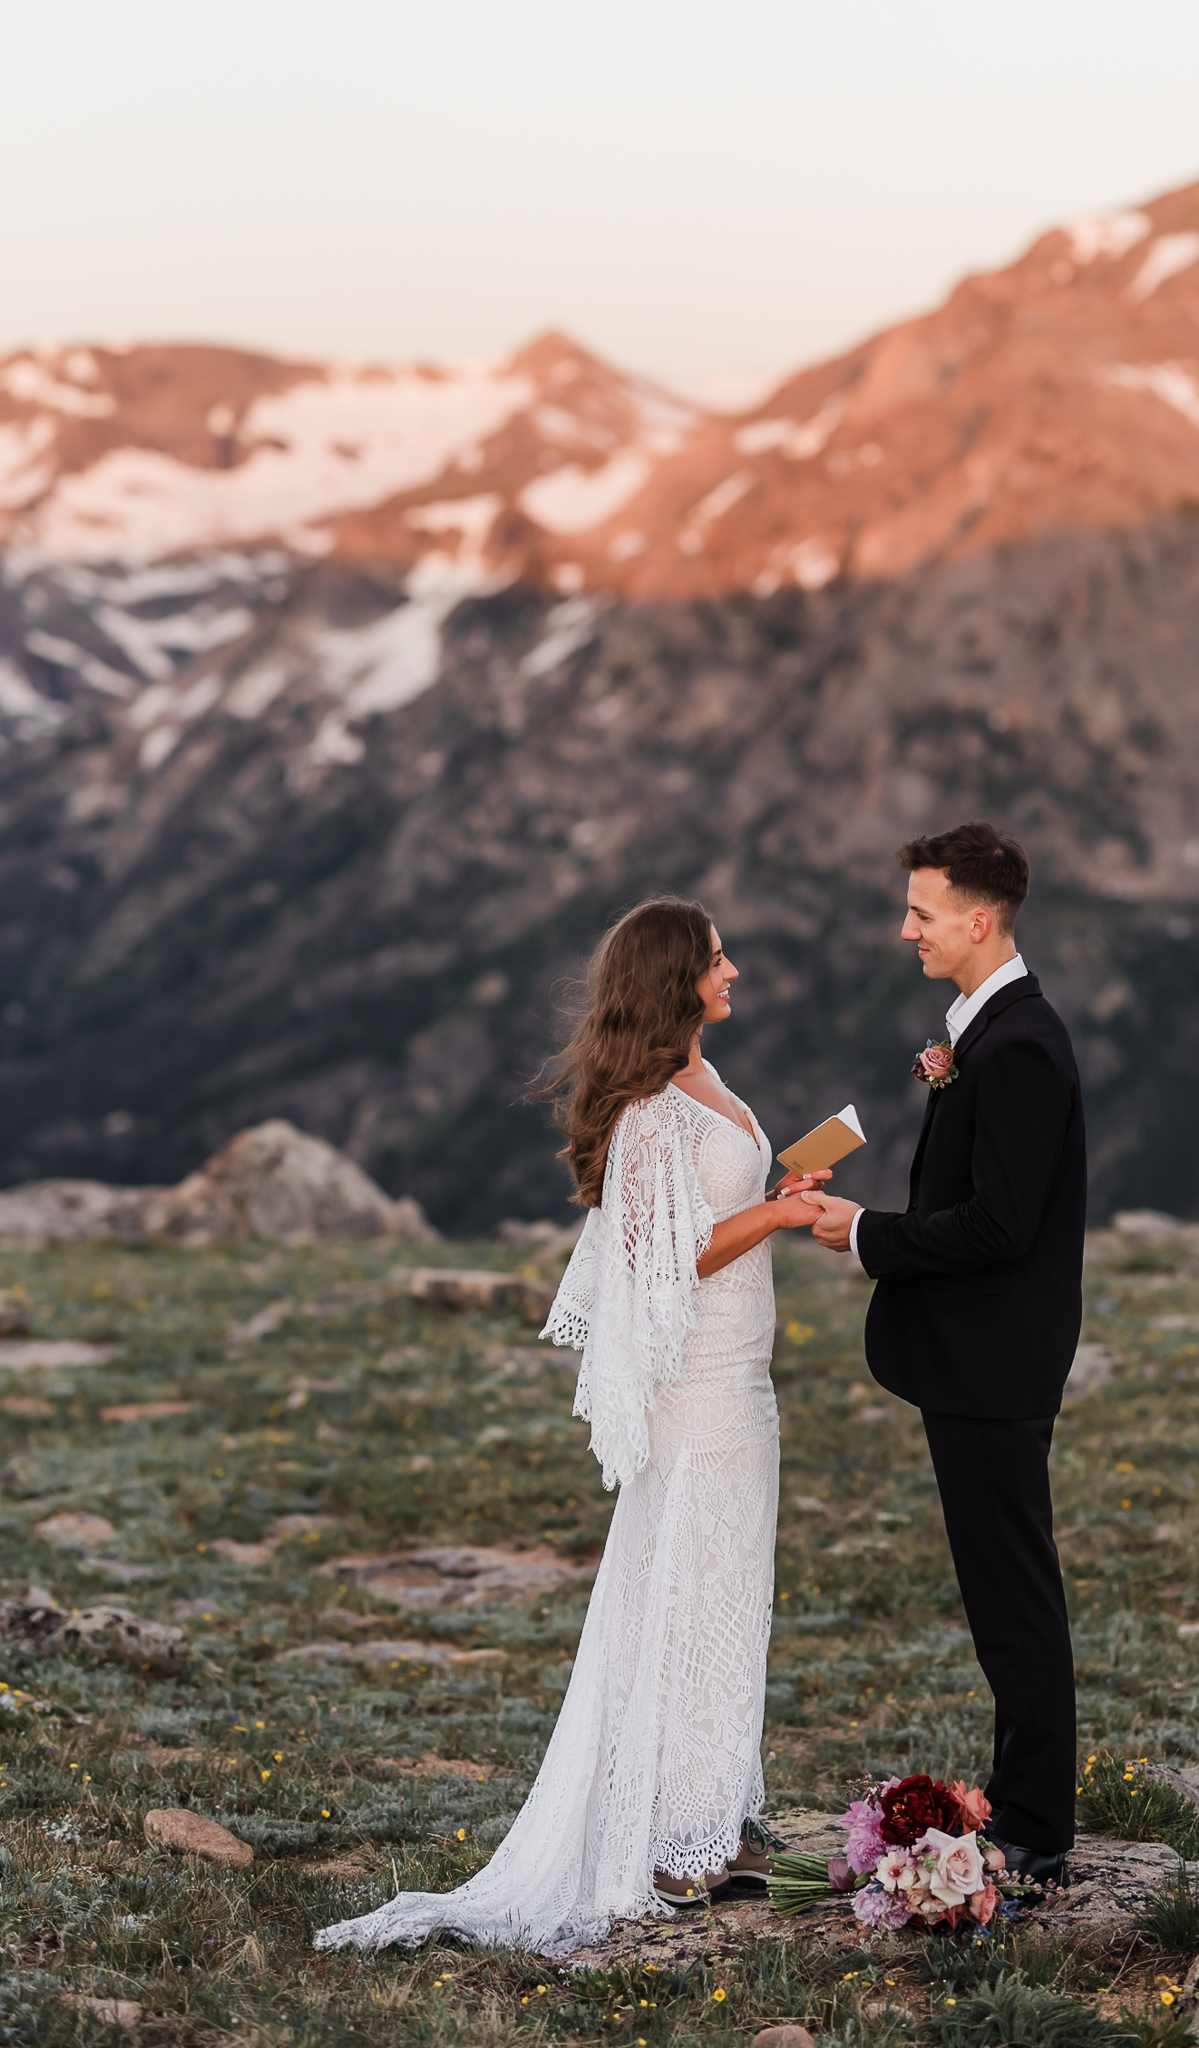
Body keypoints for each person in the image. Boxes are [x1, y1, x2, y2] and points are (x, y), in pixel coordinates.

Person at [314, 898, 829, 1959]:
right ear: (677, 975)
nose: (733, 967)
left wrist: (776, 1193)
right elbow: (656, 1260)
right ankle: (669, 1846)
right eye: (717, 955)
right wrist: (775, 1215)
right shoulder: (648, 1111)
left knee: (729, 1590)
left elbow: (702, 1219)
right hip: (697, 1389)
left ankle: (706, 1819)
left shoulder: (706, 1080)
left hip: (743, 1379)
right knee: (687, 1587)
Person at [805, 822, 1086, 1887]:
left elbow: (1000, 1224)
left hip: (993, 1363)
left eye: (921, 912)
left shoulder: (1016, 1044)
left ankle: (1032, 1827)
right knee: (1002, 1592)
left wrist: (867, 1231)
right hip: (980, 1359)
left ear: (978, 919)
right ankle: (1026, 1805)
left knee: (1013, 1597)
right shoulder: (988, 1030)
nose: (905, 928)